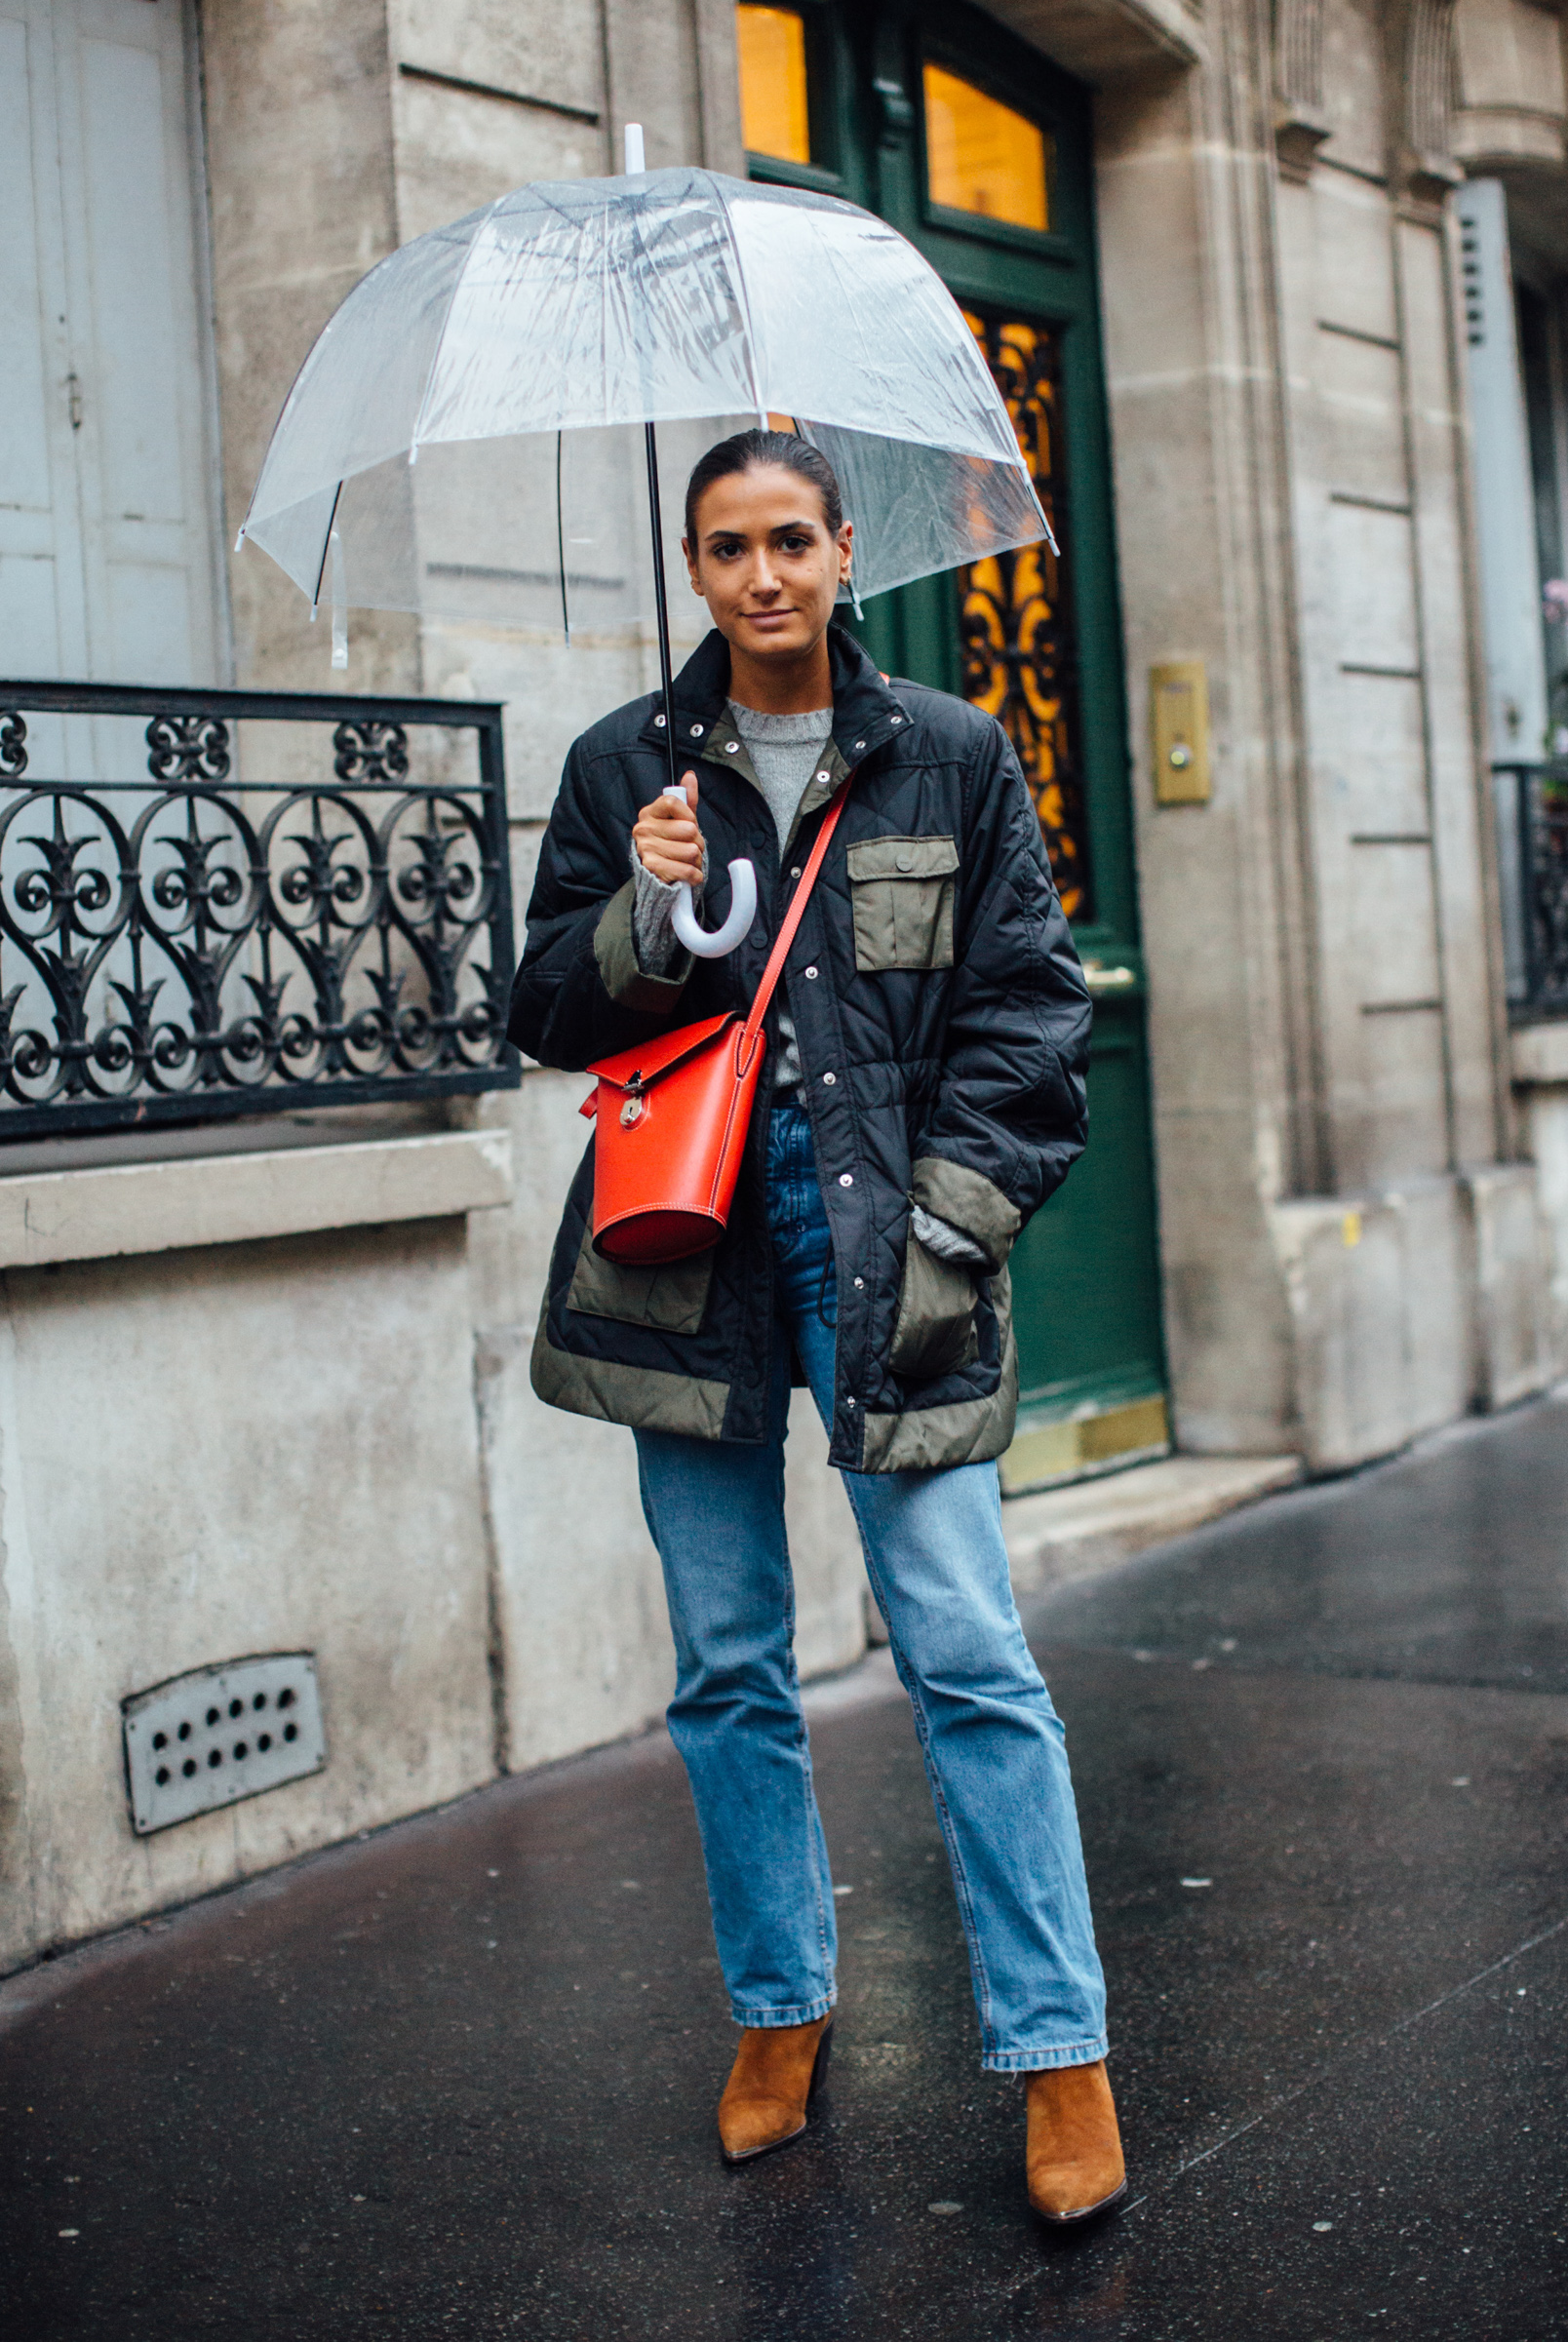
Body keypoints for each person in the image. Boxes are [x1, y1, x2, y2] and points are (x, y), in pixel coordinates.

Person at [508, 428, 1124, 2223]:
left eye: (791, 539)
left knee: (970, 1660)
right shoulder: (623, 762)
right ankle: (780, 2011)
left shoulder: (952, 752)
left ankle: (1058, 2042)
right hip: (683, 1252)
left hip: (893, 1253)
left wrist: (951, 1229)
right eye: (725, 548)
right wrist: (650, 899)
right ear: (693, 568)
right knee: (726, 1665)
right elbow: (551, 1005)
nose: (762, 575)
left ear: (849, 550)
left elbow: (1030, 1017)